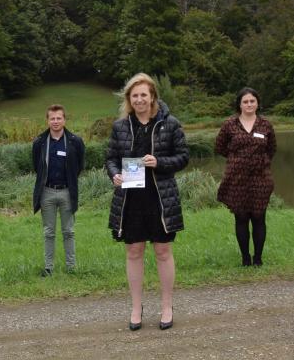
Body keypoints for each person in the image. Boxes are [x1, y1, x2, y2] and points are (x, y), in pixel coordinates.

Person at [106, 73, 189, 331]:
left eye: (144, 94)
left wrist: (160, 162)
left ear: (152, 96)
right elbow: (110, 158)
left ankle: (166, 306)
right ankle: (136, 307)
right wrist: (114, 174)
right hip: (131, 198)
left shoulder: (170, 124)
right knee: (134, 252)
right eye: (135, 95)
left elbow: (183, 157)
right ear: (129, 99)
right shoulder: (121, 126)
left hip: (161, 198)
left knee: (163, 252)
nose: (140, 99)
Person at [215, 88, 277, 266]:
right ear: (239, 104)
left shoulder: (265, 125)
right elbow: (219, 147)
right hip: (237, 180)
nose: (249, 104)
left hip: (261, 179)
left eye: (252, 101)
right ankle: (245, 259)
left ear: (257, 103)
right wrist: (237, 159)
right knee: (241, 218)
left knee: (259, 218)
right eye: (245, 101)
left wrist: (260, 161)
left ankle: (258, 259)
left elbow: (271, 149)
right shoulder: (229, 124)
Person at [32, 104, 86, 276]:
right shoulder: (39, 142)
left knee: (69, 231)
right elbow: (36, 166)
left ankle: (71, 268)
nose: (55, 121)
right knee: (49, 232)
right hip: (47, 192)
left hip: (67, 192)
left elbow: (80, 165)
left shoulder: (75, 141)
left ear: (64, 120)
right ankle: (48, 268)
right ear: (47, 120)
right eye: (52, 118)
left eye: (58, 118)